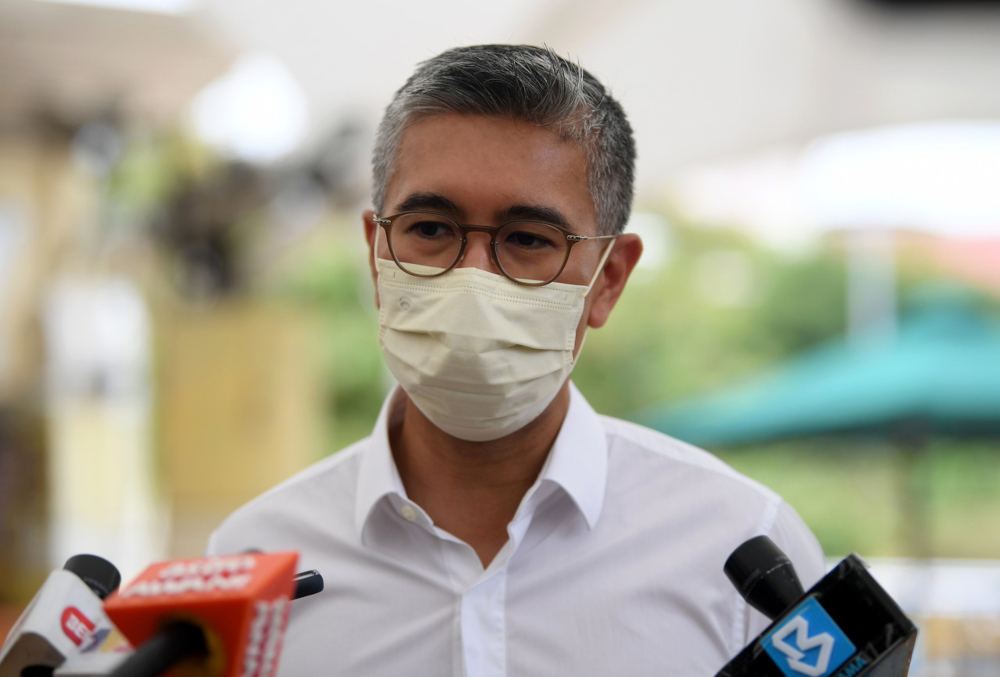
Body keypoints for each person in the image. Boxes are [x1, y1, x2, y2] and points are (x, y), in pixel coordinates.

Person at [207, 45, 825, 676]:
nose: (472, 277)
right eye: (429, 228)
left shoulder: (746, 552)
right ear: (375, 254)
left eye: (528, 240)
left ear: (608, 279)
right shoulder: (252, 567)